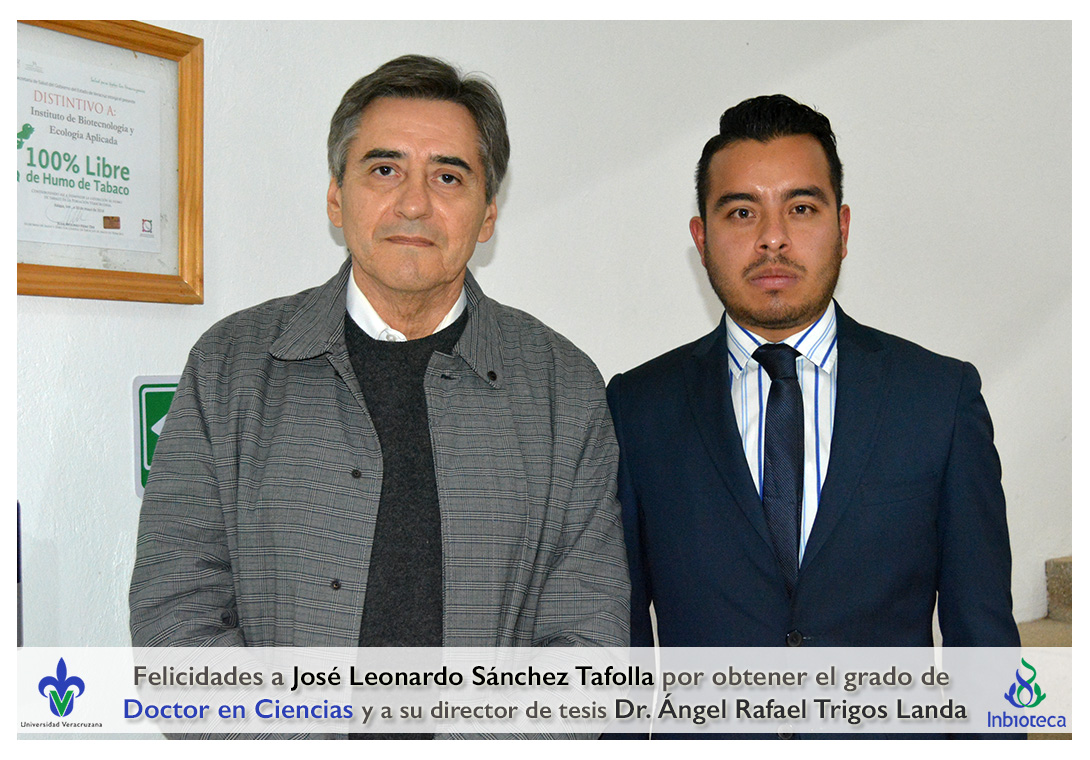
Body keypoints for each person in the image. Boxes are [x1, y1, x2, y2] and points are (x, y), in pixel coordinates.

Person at [130, 55, 629, 663]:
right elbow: (175, 615)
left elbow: (586, 636)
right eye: (385, 170)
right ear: (337, 198)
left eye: (448, 177)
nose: (414, 204)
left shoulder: (562, 388)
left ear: (488, 215)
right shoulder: (231, 367)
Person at [607, 95, 1019, 660]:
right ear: (701, 240)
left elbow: (985, 641)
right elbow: (617, 641)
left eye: (801, 208)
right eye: (742, 212)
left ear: (842, 229)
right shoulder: (636, 409)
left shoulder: (938, 401)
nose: (772, 238)